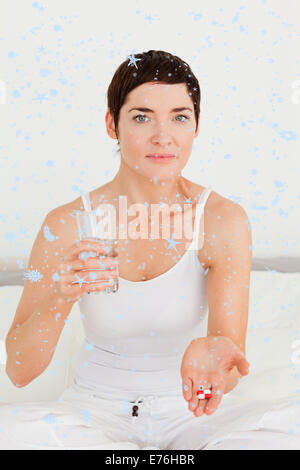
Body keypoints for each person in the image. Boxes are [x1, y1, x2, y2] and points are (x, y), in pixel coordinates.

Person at [2, 50, 300, 450]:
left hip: (191, 417)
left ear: (196, 126)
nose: (164, 136)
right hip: (94, 415)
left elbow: (227, 368)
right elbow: (20, 372)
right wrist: (60, 295)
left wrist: (213, 368)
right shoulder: (67, 224)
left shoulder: (222, 220)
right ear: (112, 124)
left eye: (180, 116)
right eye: (142, 117)